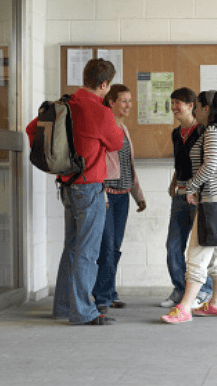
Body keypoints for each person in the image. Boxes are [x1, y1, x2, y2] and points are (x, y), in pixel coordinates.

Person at [26, 58, 123, 325]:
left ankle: (65, 307)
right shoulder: (100, 111)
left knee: (72, 248)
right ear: (104, 84)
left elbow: (31, 129)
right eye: (109, 86)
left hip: (67, 187)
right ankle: (83, 311)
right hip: (90, 188)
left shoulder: (65, 104)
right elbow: (116, 142)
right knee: (88, 252)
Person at [161, 90, 217, 324]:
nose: (196, 111)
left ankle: (184, 307)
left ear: (205, 108)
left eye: (198, 106)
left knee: (196, 254)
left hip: (211, 202)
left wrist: (191, 186)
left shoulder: (211, 131)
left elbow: (210, 166)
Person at [92, 84, 147, 314]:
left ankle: (109, 292)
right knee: (106, 247)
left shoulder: (123, 129)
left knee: (115, 248)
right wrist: (101, 193)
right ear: (111, 102)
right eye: (123, 100)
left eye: (130, 101)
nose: (128, 105)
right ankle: (102, 297)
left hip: (123, 197)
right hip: (106, 197)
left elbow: (128, 166)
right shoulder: (104, 128)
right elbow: (98, 165)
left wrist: (138, 196)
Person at [160, 87, 214, 309]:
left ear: (191, 106)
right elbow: (180, 163)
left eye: (178, 103)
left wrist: (195, 188)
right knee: (173, 245)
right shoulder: (175, 133)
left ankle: (205, 290)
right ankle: (181, 289)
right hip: (180, 196)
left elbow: (205, 164)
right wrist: (174, 182)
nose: (174, 108)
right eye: (172, 103)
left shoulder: (203, 131)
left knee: (199, 248)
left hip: (199, 197)